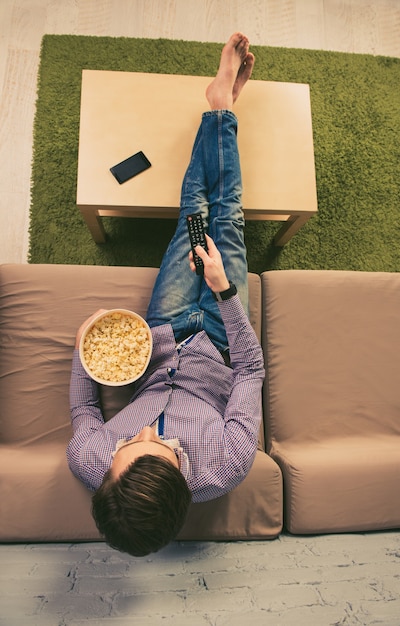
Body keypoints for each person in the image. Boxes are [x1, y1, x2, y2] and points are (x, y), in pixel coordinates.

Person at [67, 33, 264, 557]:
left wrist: (84, 347)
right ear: (186, 481)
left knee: (193, 214)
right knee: (228, 217)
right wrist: (222, 292)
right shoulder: (226, 465)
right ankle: (220, 107)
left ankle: (220, 108)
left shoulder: (90, 460)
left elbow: (86, 401)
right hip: (224, 340)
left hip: (162, 333)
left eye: (129, 444)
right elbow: (250, 371)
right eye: (164, 449)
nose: (143, 435)